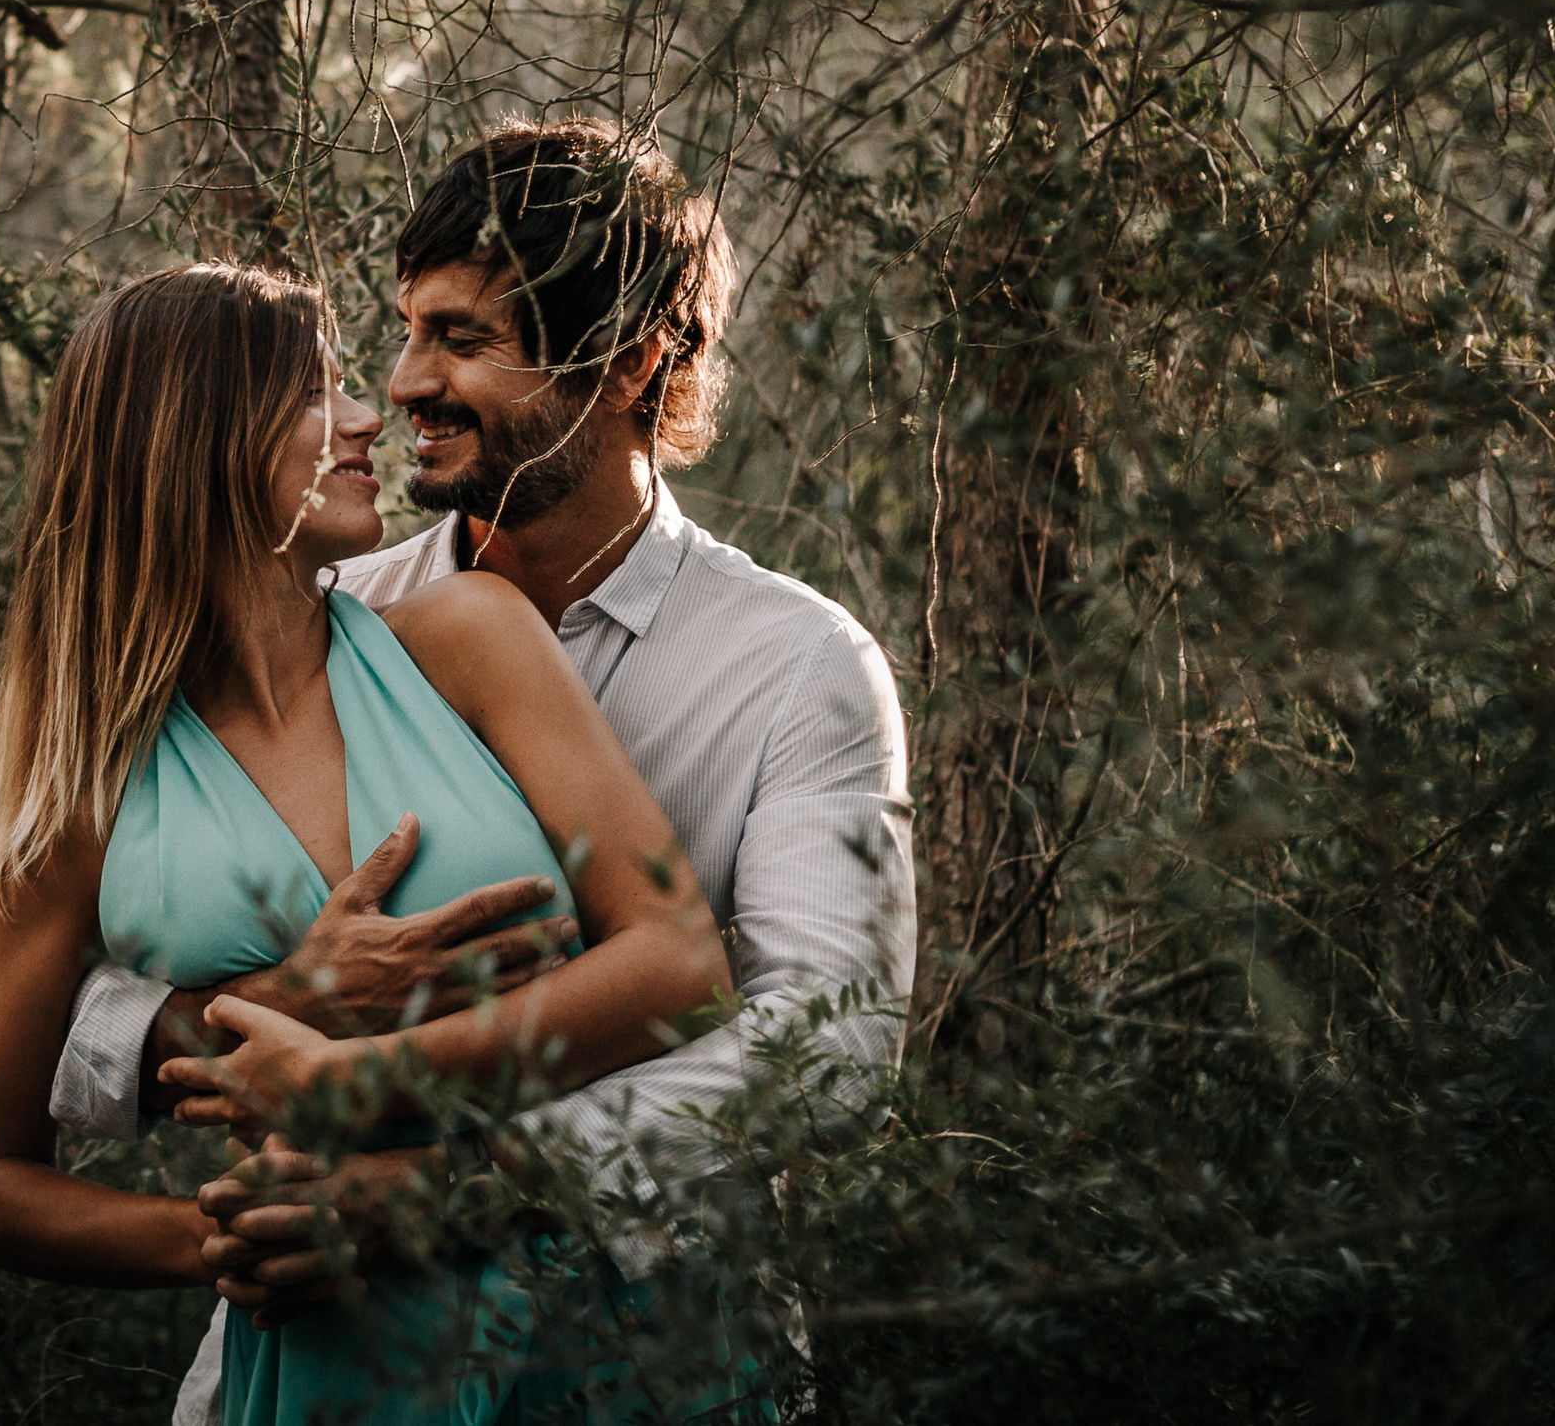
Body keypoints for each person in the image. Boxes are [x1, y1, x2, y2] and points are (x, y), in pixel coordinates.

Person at [49, 117, 918, 1422]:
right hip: (318, 1352)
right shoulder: (325, 607)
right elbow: (61, 1013)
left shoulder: (797, 667)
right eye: (406, 330)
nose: (403, 382)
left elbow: (830, 1055)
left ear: (627, 362)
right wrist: (278, 1003)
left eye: (462, 338)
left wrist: (469, 1183)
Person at [0, 260, 741, 1424]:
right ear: (199, 437)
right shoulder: (83, 792)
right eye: (319, 393)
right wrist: (225, 1240)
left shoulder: (469, 636)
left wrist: (350, 1073)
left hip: (587, 1305)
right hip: (334, 1355)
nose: (369, 413)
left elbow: (681, 964)